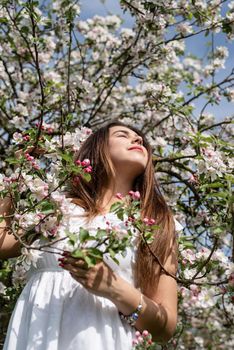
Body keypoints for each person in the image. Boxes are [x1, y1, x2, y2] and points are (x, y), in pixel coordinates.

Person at [0, 121, 180, 350]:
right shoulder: (56, 207)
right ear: (96, 150)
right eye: (123, 135)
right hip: (36, 334)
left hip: (101, 339)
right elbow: (2, 243)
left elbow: (165, 328)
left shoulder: (155, 224)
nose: (137, 140)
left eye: (140, 140)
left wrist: (116, 289)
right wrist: (20, 171)